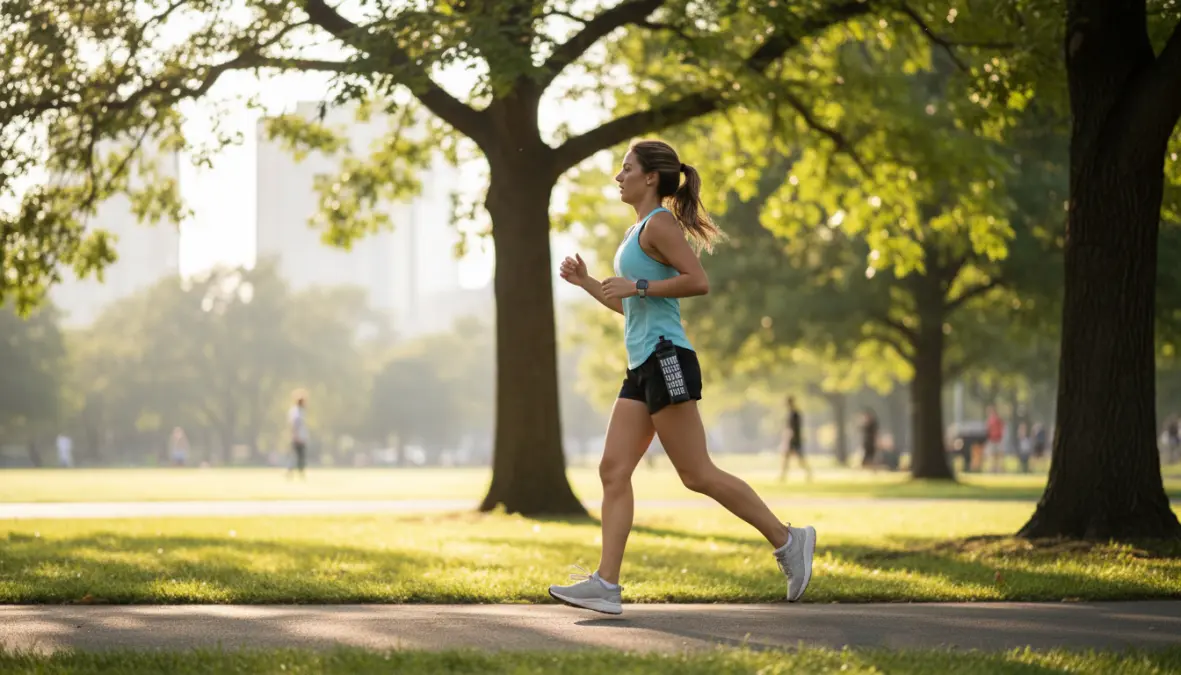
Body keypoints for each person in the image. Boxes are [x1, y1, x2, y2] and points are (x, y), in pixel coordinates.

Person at [547, 139, 816, 615]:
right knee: (613, 470)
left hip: (666, 357)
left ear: (650, 177)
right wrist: (589, 283)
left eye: (626, 168)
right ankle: (606, 584)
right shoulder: (635, 233)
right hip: (641, 364)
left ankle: (788, 540)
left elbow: (698, 280)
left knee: (696, 474)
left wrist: (641, 285)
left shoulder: (661, 223)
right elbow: (629, 304)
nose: (618, 176)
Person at [779, 396, 812, 482]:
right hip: (793, 439)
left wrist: (790, 438)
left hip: (794, 440)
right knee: (787, 458)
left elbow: (794, 428)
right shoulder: (792, 413)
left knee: (799, 458)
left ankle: (808, 473)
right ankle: (783, 476)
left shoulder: (795, 414)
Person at [288, 390, 310, 479]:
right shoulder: (296, 411)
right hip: (298, 437)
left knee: (300, 455)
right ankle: (293, 472)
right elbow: (295, 424)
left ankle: (299, 472)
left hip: (301, 436)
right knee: (297, 455)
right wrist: (296, 436)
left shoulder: (300, 411)